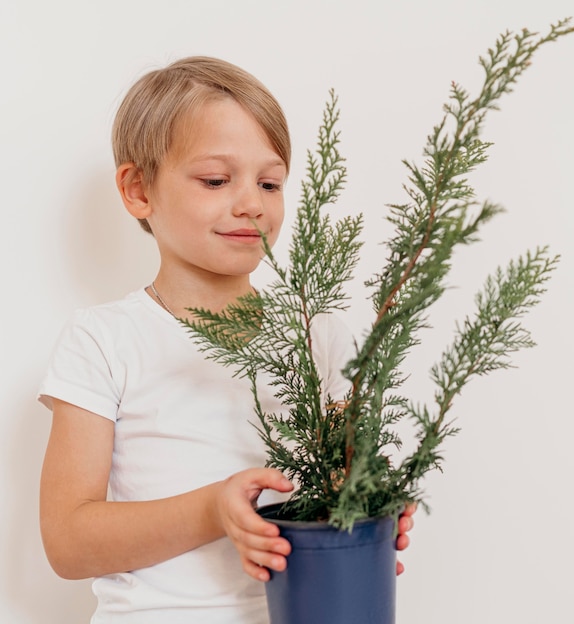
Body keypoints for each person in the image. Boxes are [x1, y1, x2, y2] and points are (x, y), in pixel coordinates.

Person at [38, 56, 415, 624]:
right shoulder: (104, 340)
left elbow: (345, 471)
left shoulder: (318, 337)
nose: (251, 203)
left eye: (270, 182)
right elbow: (67, 542)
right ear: (139, 189)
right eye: (216, 180)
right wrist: (215, 509)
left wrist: (371, 503)